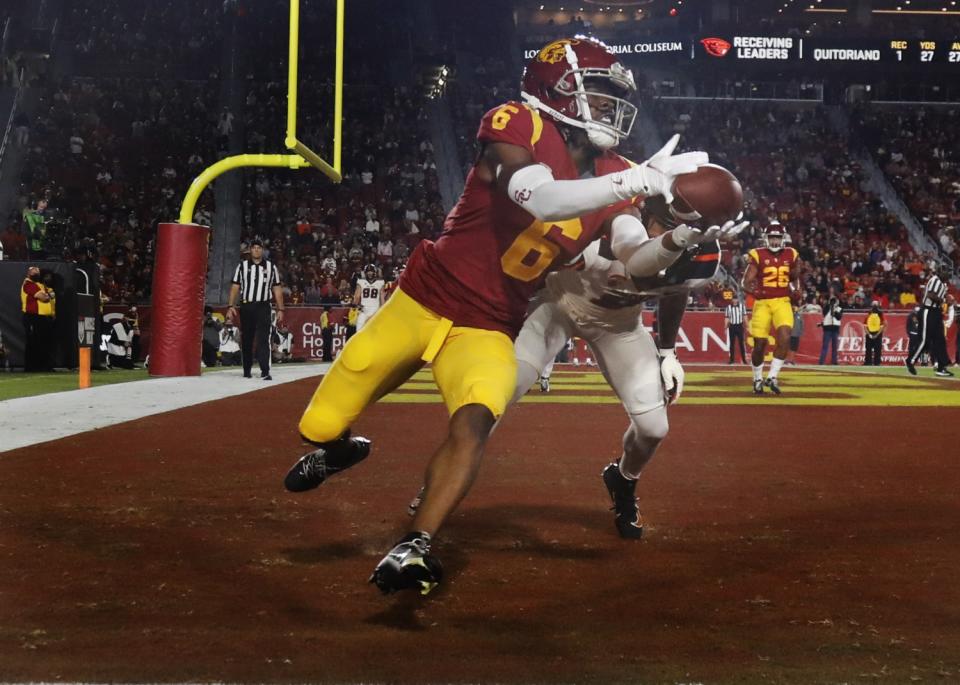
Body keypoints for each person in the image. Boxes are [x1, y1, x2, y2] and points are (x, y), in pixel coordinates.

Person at [283, 37, 713, 596]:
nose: (609, 108)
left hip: (490, 320)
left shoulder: (618, 173)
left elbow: (634, 254)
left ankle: (415, 545)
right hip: (423, 298)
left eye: (612, 99)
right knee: (316, 426)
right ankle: (340, 449)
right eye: (599, 94)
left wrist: (679, 239)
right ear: (555, 90)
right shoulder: (517, 124)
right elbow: (542, 198)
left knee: (478, 416)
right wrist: (630, 182)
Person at [422, 195, 745, 539]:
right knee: (494, 396)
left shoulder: (701, 256)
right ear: (642, 212)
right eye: (662, 225)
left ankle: (623, 479)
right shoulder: (601, 224)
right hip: (558, 305)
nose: (664, 237)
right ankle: (439, 485)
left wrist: (667, 351)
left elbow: (676, 291)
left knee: (653, 427)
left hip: (619, 325)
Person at [741, 221, 801, 394]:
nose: (775, 241)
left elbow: (795, 276)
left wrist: (797, 291)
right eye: (772, 237)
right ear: (766, 239)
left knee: (784, 336)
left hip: (782, 301)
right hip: (763, 303)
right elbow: (745, 281)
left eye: (777, 238)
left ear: (783, 239)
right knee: (760, 344)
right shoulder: (758, 254)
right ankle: (757, 378)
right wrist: (754, 292)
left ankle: (772, 376)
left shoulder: (792, 254)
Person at [226, 238, 284, 380]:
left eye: (259, 247)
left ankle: (265, 371)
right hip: (247, 305)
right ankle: (247, 370)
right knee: (247, 339)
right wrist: (230, 306)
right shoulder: (242, 266)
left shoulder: (271, 267)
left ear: (262, 250)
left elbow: (276, 288)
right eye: (254, 247)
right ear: (250, 250)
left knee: (264, 338)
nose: (256, 250)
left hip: (264, 305)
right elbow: (235, 286)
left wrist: (281, 308)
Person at [907, 271, 953, 377]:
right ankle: (910, 361)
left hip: (936, 312)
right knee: (924, 339)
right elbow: (930, 295)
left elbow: (944, 292)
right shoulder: (935, 280)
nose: (947, 277)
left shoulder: (942, 283)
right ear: (940, 272)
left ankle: (941, 367)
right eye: (946, 274)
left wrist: (947, 297)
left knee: (940, 340)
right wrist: (943, 301)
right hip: (928, 311)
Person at [20, 265, 55, 371]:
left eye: (37, 271)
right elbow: (44, 298)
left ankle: (43, 366)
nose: (35, 273)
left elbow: (51, 293)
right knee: (32, 342)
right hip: (32, 317)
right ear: (28, 274)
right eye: (33, 272)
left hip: (43, 318)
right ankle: (31, 367)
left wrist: (48, 294)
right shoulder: (28, 284)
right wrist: (49, 295)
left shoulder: (39, 285)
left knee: (43, 342)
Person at [353, 264, 385, 331]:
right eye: (368, 271)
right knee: (359, 330)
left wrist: (383, 309)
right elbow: (357, 296)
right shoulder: (361, 281)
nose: (370, 273)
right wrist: (356, 304)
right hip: (364, 309)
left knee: (368, 330)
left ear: (375, 272)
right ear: (365, 273)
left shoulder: (380, 282)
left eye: (371, 271)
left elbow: (382, 297)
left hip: (375, 309)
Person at [818, 294, 843, 365]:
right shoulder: (826, 307)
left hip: (835, 329)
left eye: (834, 300)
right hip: (827, 329)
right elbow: (824, 313)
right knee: (825, 346)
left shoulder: (840, 308)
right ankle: (821, 361)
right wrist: (830, 306)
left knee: (835, 346)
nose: (833, 302)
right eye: (832, 300)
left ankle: (834, 361)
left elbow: (839, 317)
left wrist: (834, 309)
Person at [724, 295, 747, 364]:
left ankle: (744, 360)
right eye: (733, 299)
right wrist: (725, 327)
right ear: (732, 300)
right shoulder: (728, 307)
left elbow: (745, 316)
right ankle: (731, 360)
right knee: (732, 344)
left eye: (736, 299)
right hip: (732, 326)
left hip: (739, 326)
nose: (734, 300)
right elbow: (727, 318)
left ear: (737, 300)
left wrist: (747, 326)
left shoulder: (742, 307)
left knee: (741, 344)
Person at [863, 301, 885, 366]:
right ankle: (868, 362)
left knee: (877, 349)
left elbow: (882, 326)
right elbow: (865, 326)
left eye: (876, 305)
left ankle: (877, 363)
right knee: (868, 349)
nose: (874, 307)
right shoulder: (868, 315)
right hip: (870, 333)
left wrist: (877, 334)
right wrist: (869, 334)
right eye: (873, 305)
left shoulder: (881, 315)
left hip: (877, 333)